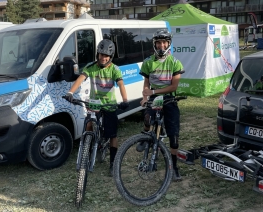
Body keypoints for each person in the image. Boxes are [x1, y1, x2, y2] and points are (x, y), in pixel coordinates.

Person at [64, 39, 129, 176]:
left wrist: (125, 100)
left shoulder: (114, 69)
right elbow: (80, 78)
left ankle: (113, 163)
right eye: (101, 54)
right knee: (88, 125)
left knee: (112, 135)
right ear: (97, 54)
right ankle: (88, 150)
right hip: (94, 103)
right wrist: (70, 92)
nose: (103, 58)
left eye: (106, 56)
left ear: (110, 57)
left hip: (110, 105)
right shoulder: (91, 67)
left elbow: (121, 85)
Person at [137, 28, 185, 181]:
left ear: (168, 44)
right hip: (154, 99)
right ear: (155, 44)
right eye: (159, 43)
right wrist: (145, 96)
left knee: (174, 138)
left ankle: (174, 167)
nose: (161, 45)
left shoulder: (175, 62)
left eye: (164, 42)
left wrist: (152, 93)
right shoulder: (148, 62)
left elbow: (173, 87)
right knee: (146, 120)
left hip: (169, 100)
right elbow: (146, 85)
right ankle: (145, 138)